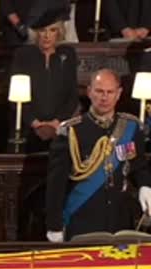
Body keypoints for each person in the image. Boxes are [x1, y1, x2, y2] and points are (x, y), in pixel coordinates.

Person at [46, 69, 151, 242]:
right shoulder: (71, 131)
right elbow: (56, 184)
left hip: (120, 219)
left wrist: (145, 186)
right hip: (83, 218)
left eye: (110, 92)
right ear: (89, 92)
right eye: (99, 91)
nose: (104, 97)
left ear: (119, 94)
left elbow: (138, 166)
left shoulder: (131, 127)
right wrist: (54, 225)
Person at [9, 6, 78, 153]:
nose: (47, 36)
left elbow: (73, 96)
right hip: (27, 127)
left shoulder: (68, 54)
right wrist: (35, 124)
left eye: (52, 30)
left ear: (59, 32)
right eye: (42, 30)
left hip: (59, 128)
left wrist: (56, 123)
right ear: (36, 32)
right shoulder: (23, 55)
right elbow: (15, 98)